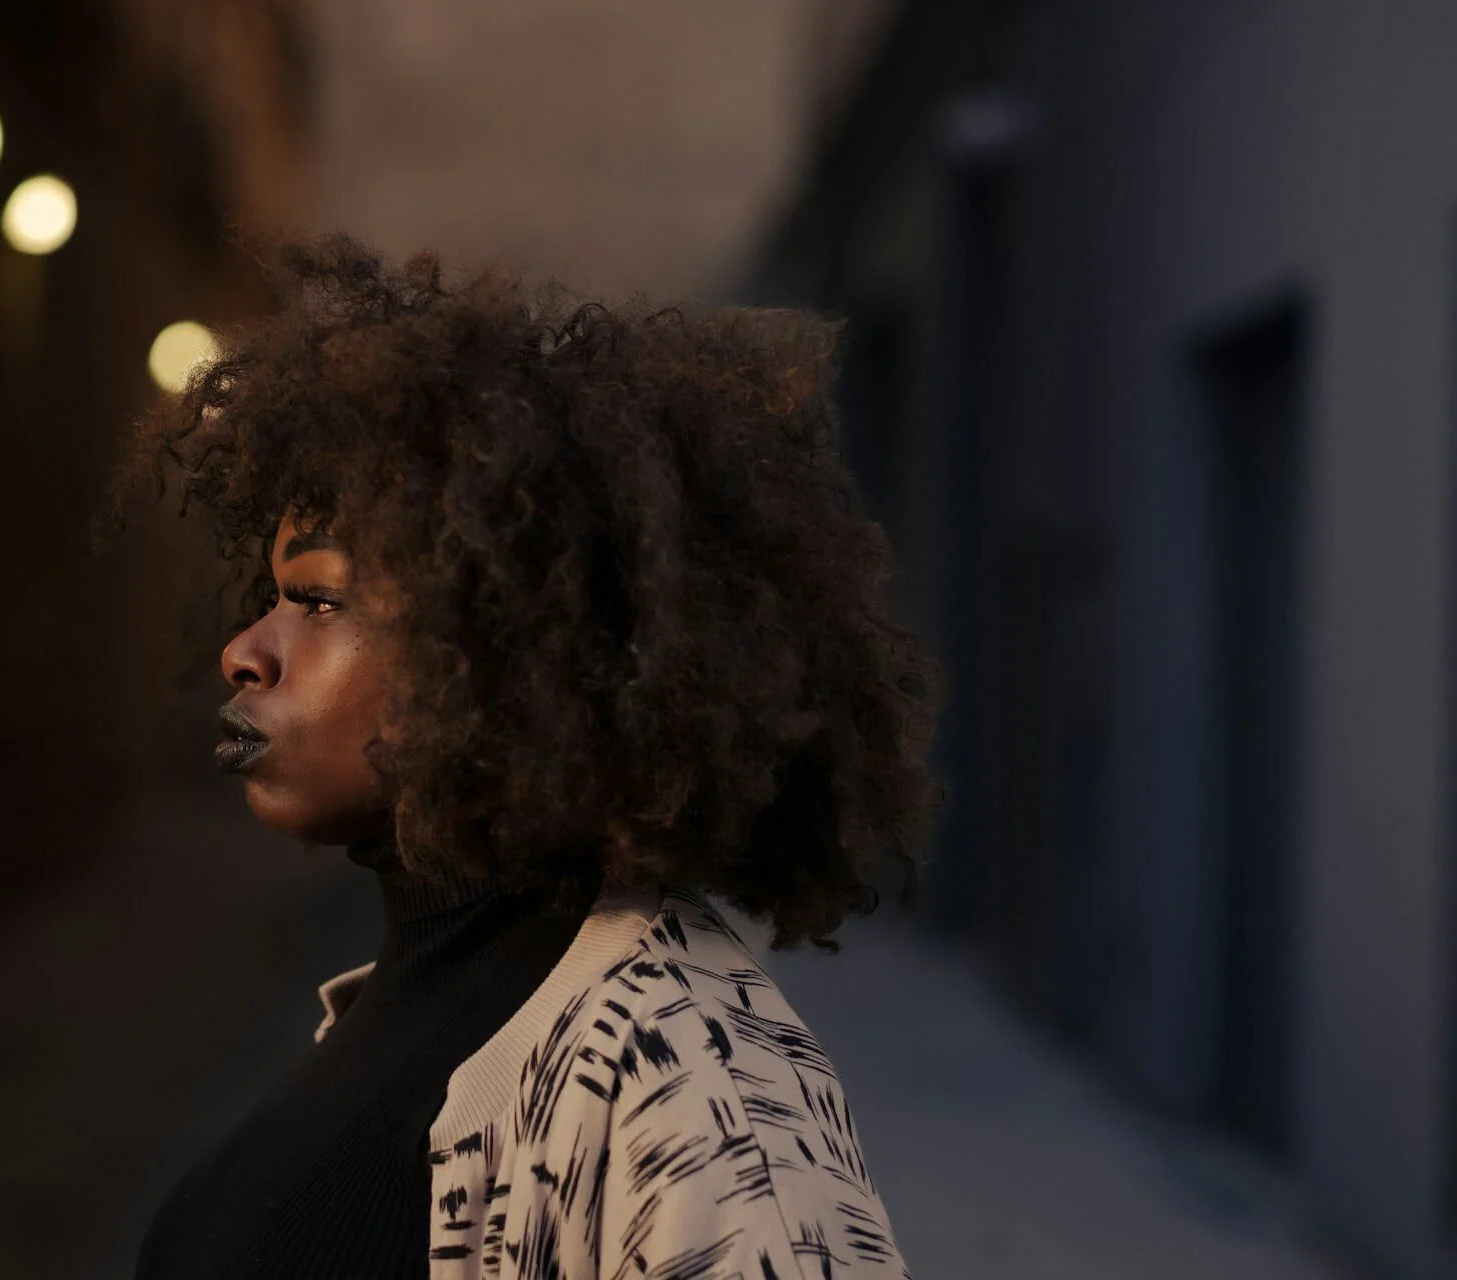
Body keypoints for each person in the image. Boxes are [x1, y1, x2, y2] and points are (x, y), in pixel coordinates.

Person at [103, 236, 942, 1279]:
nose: (246, 650)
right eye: (269, 599)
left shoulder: (688, 1066)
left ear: (505, 647)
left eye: (317, 600)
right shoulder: (420, 995)